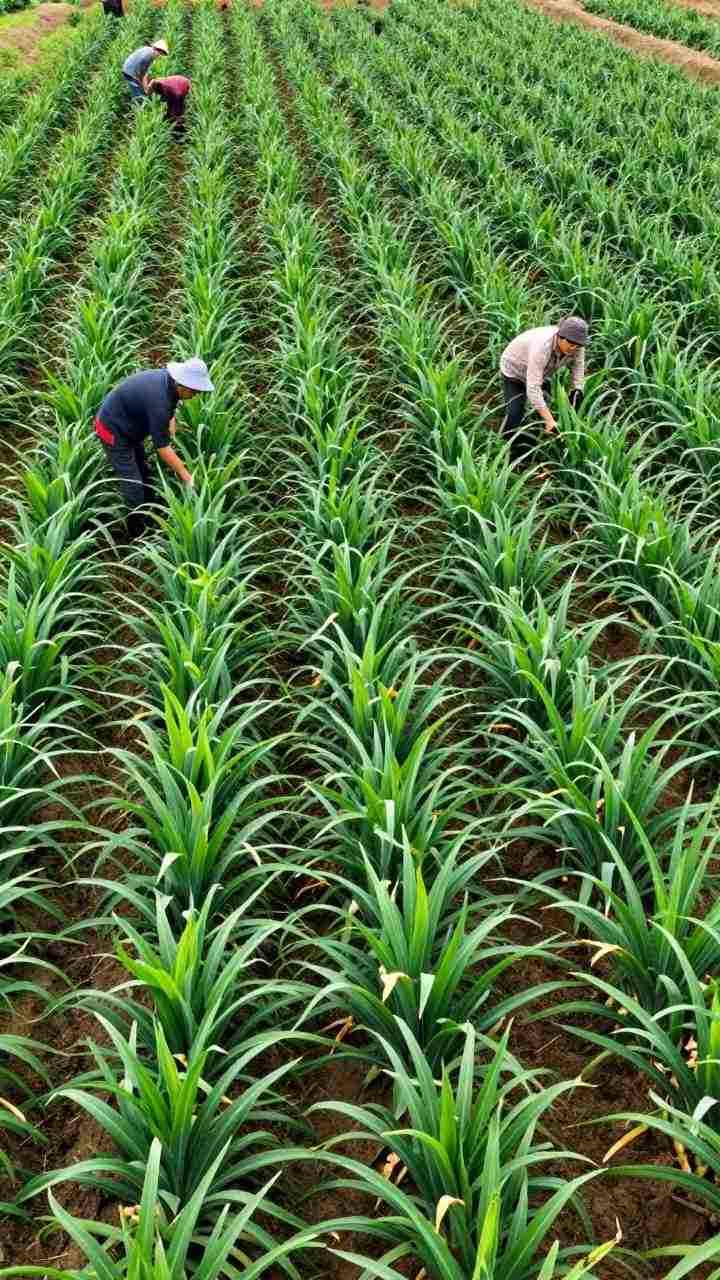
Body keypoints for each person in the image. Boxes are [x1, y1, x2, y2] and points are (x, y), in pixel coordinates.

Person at [94, 358, 214, 540]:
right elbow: (162, 448)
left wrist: (170, 419)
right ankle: (136, 534)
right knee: (133, 485)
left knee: (143, 471)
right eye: (195, 391)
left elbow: (169, 405)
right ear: (182, 384)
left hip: (129, 425)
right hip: (113, 430)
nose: (196, 394)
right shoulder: (159, 401)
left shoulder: (168, 383)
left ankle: (149, 510)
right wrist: (186, 475)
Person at [499, 315, 589, 455]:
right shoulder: (542, 348)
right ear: (560, 336)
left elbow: (578, 366)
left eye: (578, 346)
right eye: (571, 345)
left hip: (541, 371)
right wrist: (549, 420)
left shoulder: (576, 343)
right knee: (515, 413)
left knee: (547, 403)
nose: (574, 348)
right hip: (515, 370)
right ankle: (506, 448)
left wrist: (577, 388)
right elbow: (533, 387)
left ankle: (543, 435)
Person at [122, 38, 168, 104]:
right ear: (158, 50)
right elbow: (143, 74)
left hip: (129, 69)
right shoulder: (149, 55)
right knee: (139, 95)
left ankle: (139, 104)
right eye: (160, 53)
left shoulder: (148, 50)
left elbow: (144, 72)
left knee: (140, 89)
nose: (159, 56)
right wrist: (146, 88)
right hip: (130, 72)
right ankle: (138, 109)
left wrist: (145, 86)